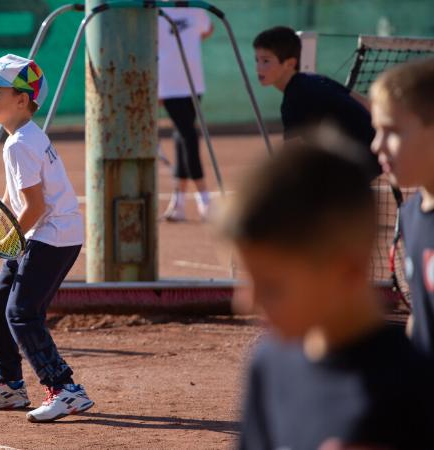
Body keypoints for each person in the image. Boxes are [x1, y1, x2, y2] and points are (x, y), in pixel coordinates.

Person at [218, 137, 434, 449]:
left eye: (271, 285)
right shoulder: (268, 365)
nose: (245, 303)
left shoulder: (415, 388)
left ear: (347, 272)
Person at [0, 54, 93, 423]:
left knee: (21, 313)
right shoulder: (22, 138)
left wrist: (1, 249)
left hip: (52, 237)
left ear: (22, 99)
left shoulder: (20, 143)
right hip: (39, 234)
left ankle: (66, 390)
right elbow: (13, 199)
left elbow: (34, 207)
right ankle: (10, 387)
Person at [253, 26, 382, 178]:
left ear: (289, 63)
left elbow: (292, 156)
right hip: (375, 152)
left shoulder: (294, 99)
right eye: (257, 60)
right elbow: (365, 103)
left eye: (266, 61)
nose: (258, 68)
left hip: (358, 161)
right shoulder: (314, 79)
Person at [371, 57, 434, 356]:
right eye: (376, 130)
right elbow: (421, 320)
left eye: (392, 131)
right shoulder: (411, 214)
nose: (376, 145)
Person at [158, 7, 215, 222]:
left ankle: (179, 203)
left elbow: (207, 29)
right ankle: (204, 198)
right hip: (168, 87)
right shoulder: (156, 11)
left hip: (194, 84)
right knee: (189, 136)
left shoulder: (196, 9)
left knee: (182, 137)